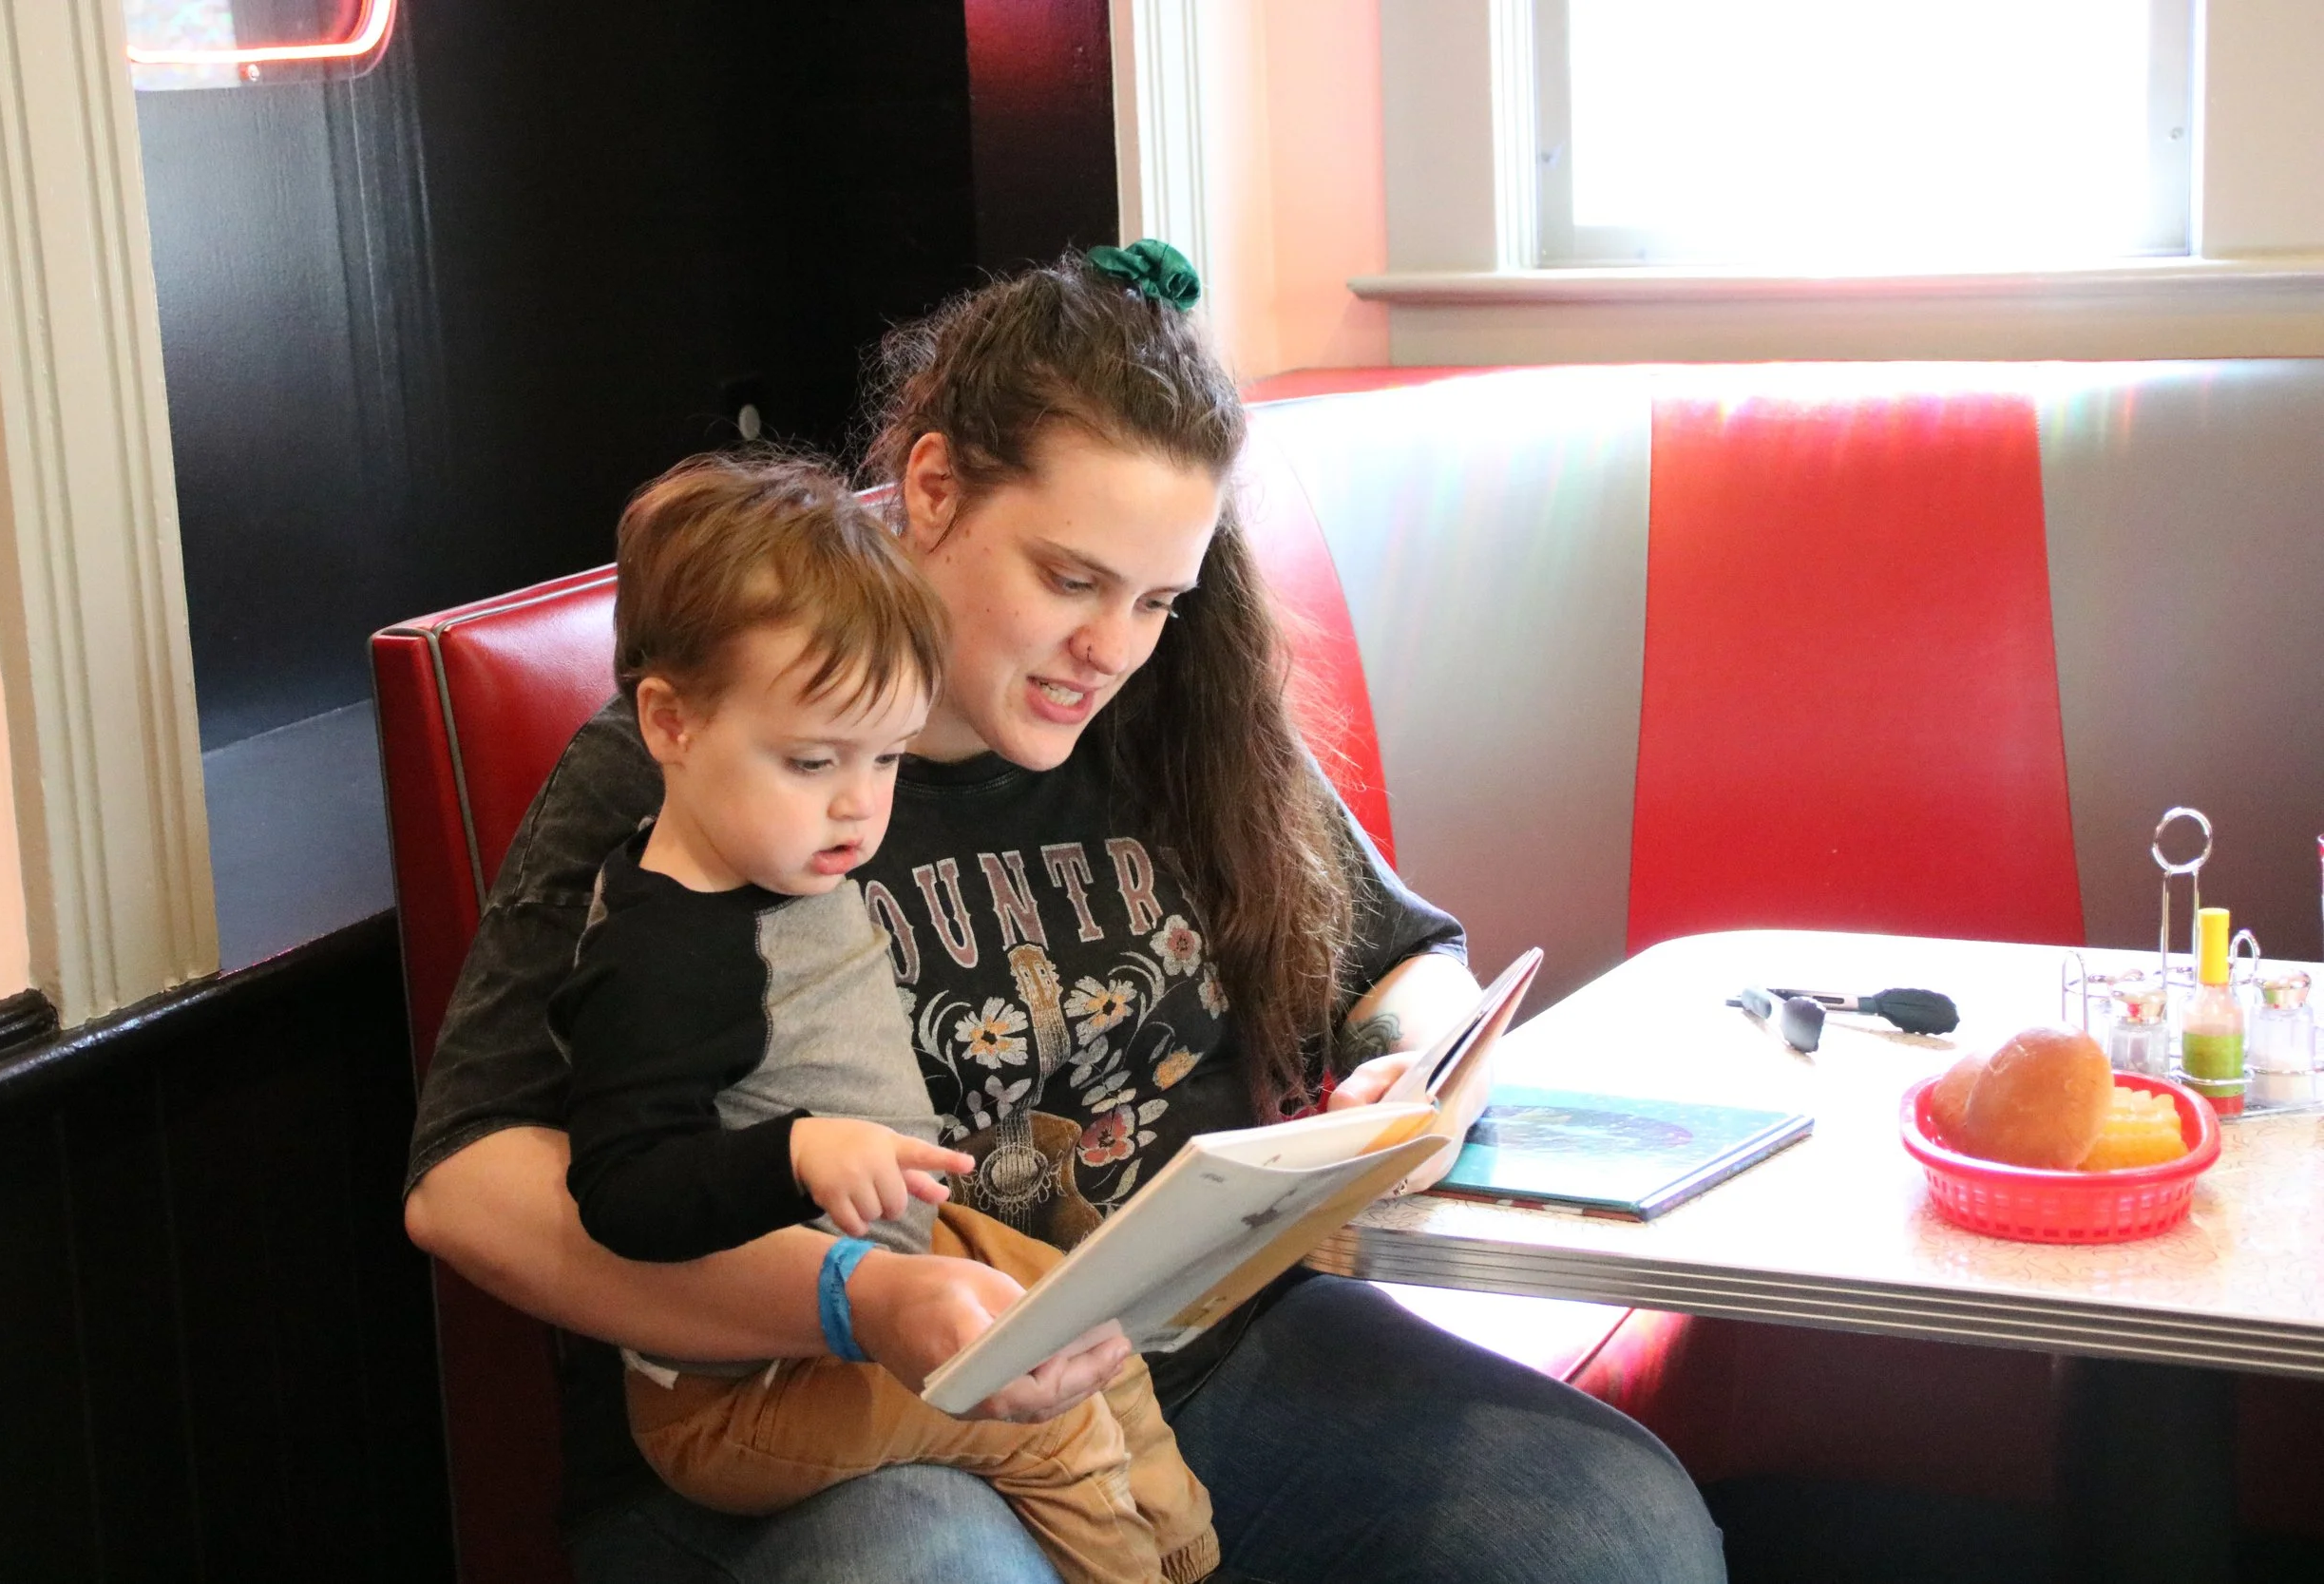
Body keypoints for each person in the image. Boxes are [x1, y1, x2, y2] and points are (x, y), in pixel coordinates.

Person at [404, 241, 1726, 1582]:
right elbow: (468, 1189)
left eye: (1157, 597)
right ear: (931, 488)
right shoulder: (720, 755)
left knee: (1611, 1523)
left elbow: (1403, 963)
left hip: (1201, 1357)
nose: (1113, 646)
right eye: (1070, 578)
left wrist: (1410, 1080)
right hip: (843, 1404)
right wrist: (857, 1296)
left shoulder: (1170, 713)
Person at [556, 455, 1215, 1584]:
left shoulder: (784, 850)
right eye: (814, 760)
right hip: (738, 1388)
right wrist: (796, 1153)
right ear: (667, 720)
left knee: (1090, 1326)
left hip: (897, 1256)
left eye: (888, 759)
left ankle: (1190, 1550)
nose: (859, 804)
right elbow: (621, 1193)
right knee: (1046, 1422)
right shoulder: (664, 951)